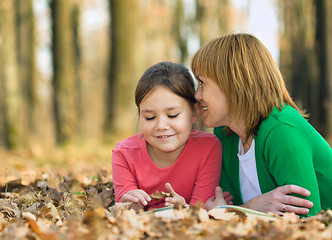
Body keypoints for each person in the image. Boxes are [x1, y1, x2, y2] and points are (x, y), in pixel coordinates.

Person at [191, 33, 332, 217]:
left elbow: (309, 223)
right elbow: (224, 211)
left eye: (202, 83)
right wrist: (251, 207)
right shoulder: (225, 134)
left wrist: (238, 211)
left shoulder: (281, 131)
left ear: (233, 83)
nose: (197, 95)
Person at [112, 61, 227, 212]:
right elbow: (126, 211)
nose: (161, 125)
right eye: (150, 117)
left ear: (194, 113)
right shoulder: (124, 153)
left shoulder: (208, 148)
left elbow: (200, 211)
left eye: (172, 115)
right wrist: (130, 205)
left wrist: (184, 209)